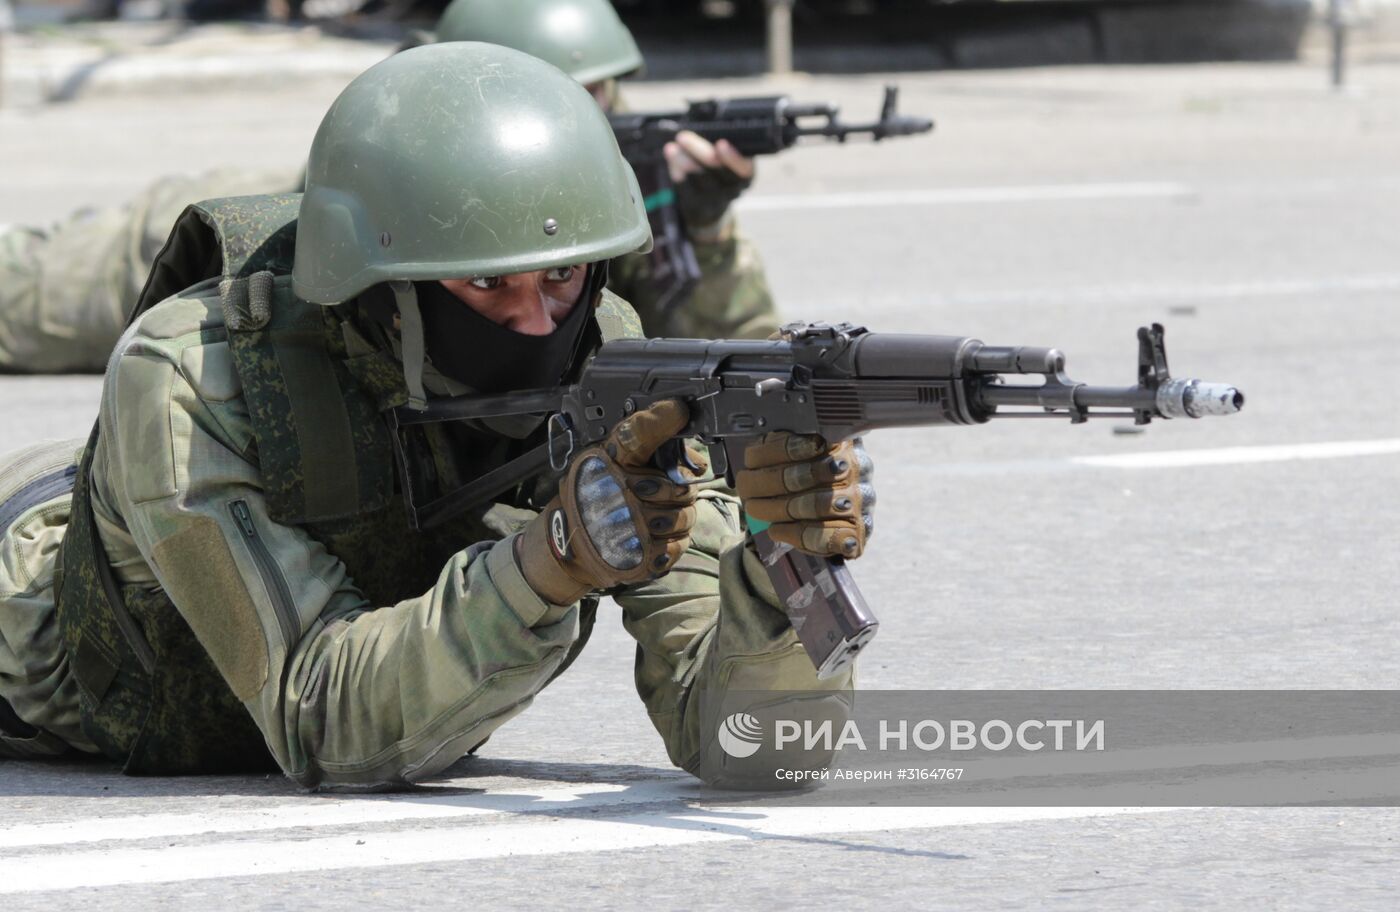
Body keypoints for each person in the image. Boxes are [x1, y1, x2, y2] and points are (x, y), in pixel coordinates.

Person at [0, 43, 871, 788]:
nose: (538, 323)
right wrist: (550, 562)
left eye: (561, 276)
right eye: (488, 283)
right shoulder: (193, 375)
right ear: (385, 287)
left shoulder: (605, 357)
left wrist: (781, 569)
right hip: (34, 605)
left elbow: (755, 748)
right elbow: (320, 718)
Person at [0, 0, 778, 375]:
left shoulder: (611, 166)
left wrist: (702, 225)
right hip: (232, 242)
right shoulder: (391, 168)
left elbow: (739, 343)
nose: (593, 114)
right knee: (21, 298)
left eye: (603, 94)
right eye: (575, 94)